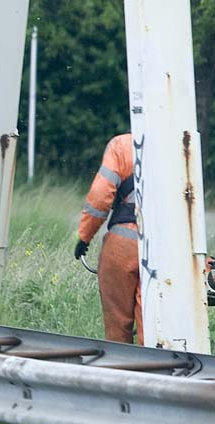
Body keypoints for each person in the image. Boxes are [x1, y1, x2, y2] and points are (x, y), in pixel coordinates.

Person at [74, 133, 144, 345]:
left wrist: (85, 236)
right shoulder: (180, 143)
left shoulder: (122, 145)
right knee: (153, 321)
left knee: (118, 324)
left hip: (123, 245)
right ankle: (155, 371)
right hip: (168, 246)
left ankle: (121, 372)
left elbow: (100, 195)